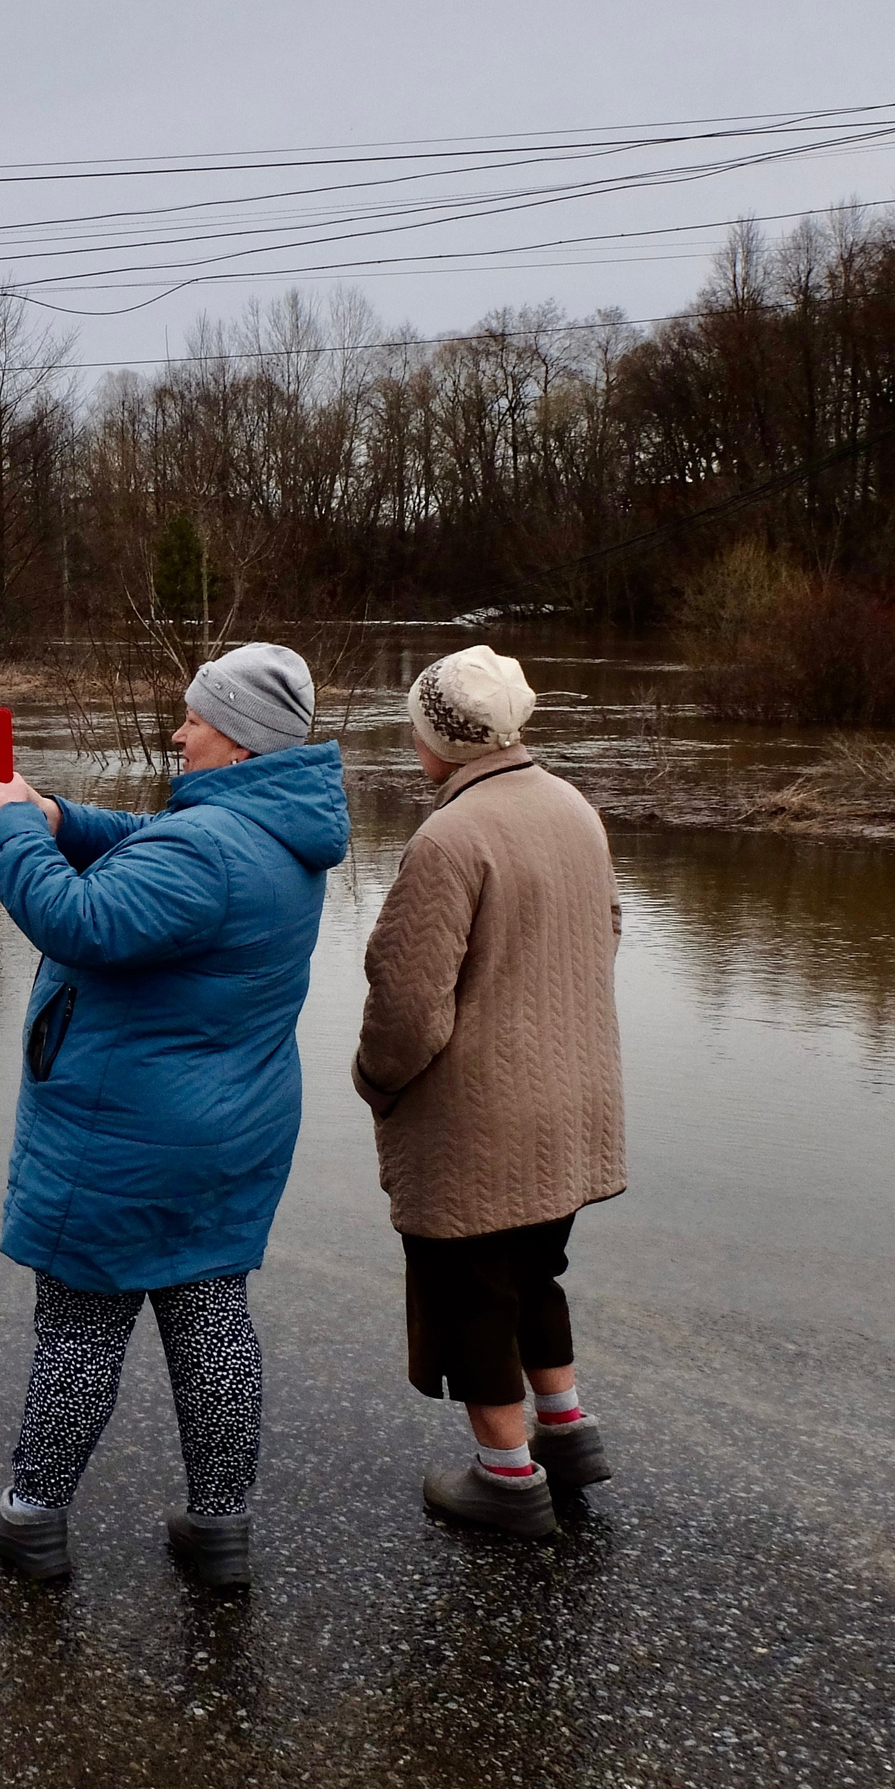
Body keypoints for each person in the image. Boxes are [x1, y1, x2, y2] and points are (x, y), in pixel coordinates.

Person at [0, 643, 350, 1587]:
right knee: (210, 1313)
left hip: (129, 1131)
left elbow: (81, 920)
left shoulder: (209, 847)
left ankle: (33, 1515)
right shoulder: (276, 828)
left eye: (196, 719)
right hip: (233, 1123)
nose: (178, 732)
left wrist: (12, 827)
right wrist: (62, 817)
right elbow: (156, 851)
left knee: (82, 1325)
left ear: (243, 743)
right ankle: (219, 1529)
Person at [352, 644, 626, 1541]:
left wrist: (375, 1082)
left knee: (468, 1292)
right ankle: (567, 1431)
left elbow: (406, 1004)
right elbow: (607, 932)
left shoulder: (451, 836)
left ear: (443, 738)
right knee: (533, 1271)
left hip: (480, 1116)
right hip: (572, 1099)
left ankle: (507, 1480)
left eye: (417, 725)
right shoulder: (572, 807)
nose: (412, 738)